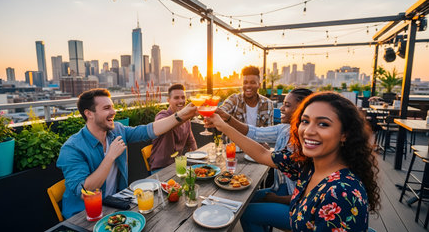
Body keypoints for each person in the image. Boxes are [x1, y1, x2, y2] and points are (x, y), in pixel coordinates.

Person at [205, 92, 380, 231]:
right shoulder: (309, 165)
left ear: (345, 134)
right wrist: (223, 126)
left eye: (323, 124)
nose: (308, 131)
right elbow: (263, 154)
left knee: (245, 210)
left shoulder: (341, 193)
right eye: (305, 121)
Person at [57, 88, 197, 218]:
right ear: (89, 114)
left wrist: (181, 115)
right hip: (85, 215)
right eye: (107, 108)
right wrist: (110, 156)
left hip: (117, 204)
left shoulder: (116, 130)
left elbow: (148, 130)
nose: (113, 112)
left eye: (112, 106)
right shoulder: (72, 148)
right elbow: (85, 192)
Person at [216, 88, 313, 231]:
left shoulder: (305, 146)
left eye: (287, 105)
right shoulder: (285, 129)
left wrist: (275, 199)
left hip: (299, 207)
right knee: (244, 199)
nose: (281, 108)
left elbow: (263, 154)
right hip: (284, 189)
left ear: (301, 109)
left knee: (246, 212)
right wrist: (227, 118)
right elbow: (253, 132)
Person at [150, 84, 197, 171]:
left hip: (177, 165)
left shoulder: (187, 119)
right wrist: (185, 116)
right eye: (176, 98)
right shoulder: (162, 116)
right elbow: (164, 126)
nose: (181, 101)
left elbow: (191, 142)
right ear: (168, 100)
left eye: (183, 97)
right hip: (161, 168)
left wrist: (198, 159)